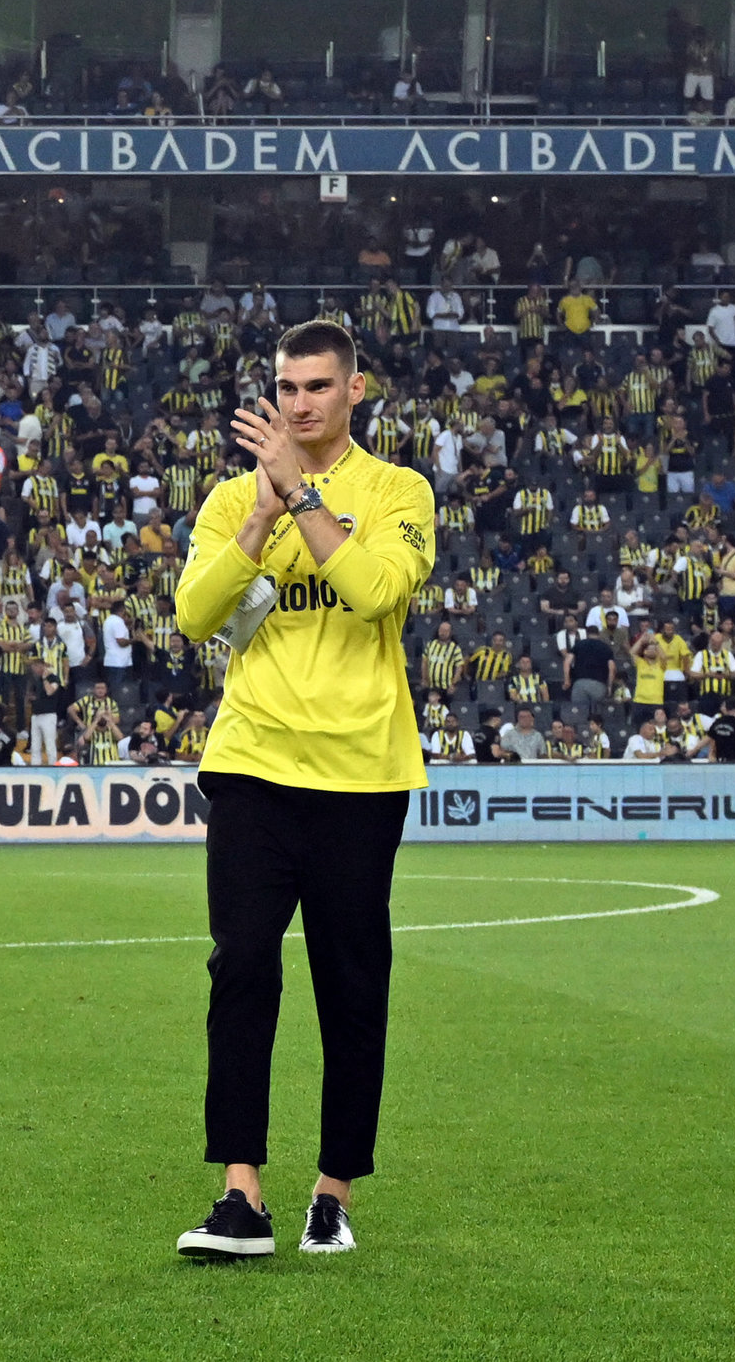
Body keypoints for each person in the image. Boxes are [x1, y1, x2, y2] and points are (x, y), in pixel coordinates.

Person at [171, 320, 435, 1259]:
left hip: (363, 773)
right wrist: (258, 516)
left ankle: (333, 1189)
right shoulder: (229, 498)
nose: (298, 403)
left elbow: (372, 592)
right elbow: (197, 614)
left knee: (351, 986)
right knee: (240, 964)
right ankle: (239, 1192)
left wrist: (305, 494)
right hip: (252, 763)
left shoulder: (399, 491)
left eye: (318, 386)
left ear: (355, 391)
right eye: (286, 387)